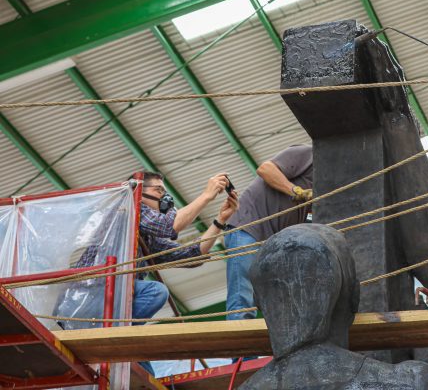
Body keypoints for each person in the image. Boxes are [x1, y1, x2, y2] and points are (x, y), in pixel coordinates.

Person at [56, 171, 238, 374]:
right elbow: (170, 225)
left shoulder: (146, 237)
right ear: (139, 192)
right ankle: (120, 335)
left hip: (109, 302)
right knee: (155, 291)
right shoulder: (129, 208)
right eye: (159, 190)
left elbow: (191, 255)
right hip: (88, 297)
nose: (164, 197)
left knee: (145, 373)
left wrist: (220, 221)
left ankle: (122, 339)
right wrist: (206, 195)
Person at [224, 144, 313, 321]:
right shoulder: (309, 154)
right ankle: (240, 345)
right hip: (249, 227)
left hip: (274, 244)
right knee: (243, 298)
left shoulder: (329, 183)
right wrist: (296, 191)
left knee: (274, 300)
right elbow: (266, 169)